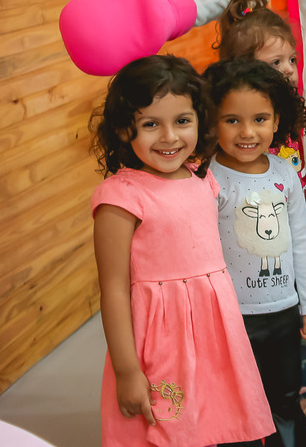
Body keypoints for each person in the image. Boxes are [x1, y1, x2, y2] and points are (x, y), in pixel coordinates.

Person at [90, 55, 272, 446]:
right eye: (150, 124)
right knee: (171, 430)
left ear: (200, 120)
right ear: (123, 128)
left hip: (213, 332)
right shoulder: (120, 198)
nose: (169, 136)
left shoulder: (201, 178)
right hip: (163, 339)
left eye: (182, 121)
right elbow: (114, 290)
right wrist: (127, 370)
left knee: (219, 422)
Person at [216, 0, 306, 446]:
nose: (290, 69)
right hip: (244, 272)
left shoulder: (285, 117)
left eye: (292, 59)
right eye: (276, 63)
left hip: (291, 246)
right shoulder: (239, 142)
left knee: (295, 344)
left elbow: (295, 179)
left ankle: (300, 407)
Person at [203, 58, 306, 447]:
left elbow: (301, 241)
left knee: (285, 394)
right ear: (212, 121)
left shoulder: (284, 172)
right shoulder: (207, 178)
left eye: (259, 119)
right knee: (238, 400)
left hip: (284, 310)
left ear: (277, 120)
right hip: (232, 316)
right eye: (232, 120)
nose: (247, 132)